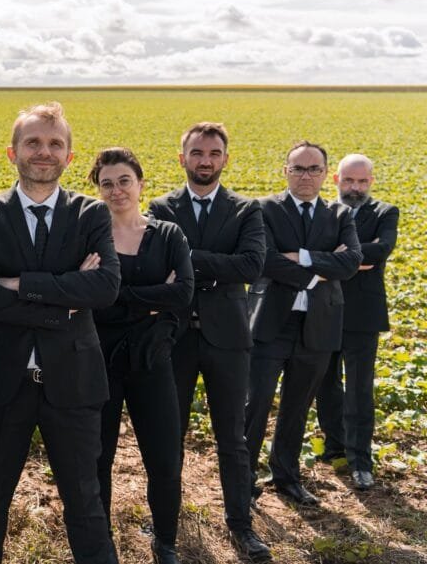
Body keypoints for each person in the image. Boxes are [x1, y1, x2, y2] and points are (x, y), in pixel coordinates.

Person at [0, 102, 120, 564]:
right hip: (2, 382)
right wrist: (67, 297)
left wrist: (22, 284)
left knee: (85, 503)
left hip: (73, 381)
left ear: (70, 157)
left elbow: (106, 286)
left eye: (55, 144)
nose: (44, 152)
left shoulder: (91, 214)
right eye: (33, 142)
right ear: (12, 152)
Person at [148, 122, 271, 560]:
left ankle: (241, 524)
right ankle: (163, 528)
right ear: (182, 158)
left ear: (225, 158)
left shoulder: (246, 210)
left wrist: (187, 261)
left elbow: (253, 266)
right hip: (173, 338)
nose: (205, 160)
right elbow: (156, 262)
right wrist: (221, 266)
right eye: (197, 152)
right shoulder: (161, 206)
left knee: (232, 440)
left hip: (228, 339)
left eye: (214, 153)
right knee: (168, 436)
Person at [88, 147, 193, 564]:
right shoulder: (90, 236)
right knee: (99, 458)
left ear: (141, 184)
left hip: (152, 360)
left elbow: (182, 293)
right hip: (99, 361)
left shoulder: (168, 235)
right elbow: (90, 298)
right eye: (107, 183)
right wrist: (151, 299)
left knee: (165, 457)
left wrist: (117, 294)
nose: (117, 190)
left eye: (124, 181)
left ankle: (165, 540)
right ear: (98, 190)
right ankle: (101, 541)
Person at [245, 141, 362, 508]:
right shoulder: (262, 209)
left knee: (297, 407)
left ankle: (286, 477)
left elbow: (351, 262)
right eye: (298, 168)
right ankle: (243, 480)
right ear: (285, 171)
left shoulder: (341, 215)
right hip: (270, 324)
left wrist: (301, 257)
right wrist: (316, 274)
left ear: (326, 174)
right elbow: (263, 260)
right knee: (255, 403)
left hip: (319, 326)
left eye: (314, 169)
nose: (306, 175)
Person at [315, 154, 399, 491]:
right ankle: (335, 446)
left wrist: (335, 256)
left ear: (371, 182)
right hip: (323, 309)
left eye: (363, 181)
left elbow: (382, 250)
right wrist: (355, 258)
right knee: (325, 383)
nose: (355, 188)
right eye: (349, 180)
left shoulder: (384, 213)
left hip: (363, 315)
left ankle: (360, 461)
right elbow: (308, 249)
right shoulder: (321, 212)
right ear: (336, 178)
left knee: (360, 389)